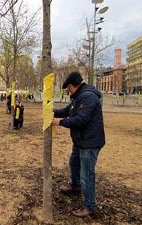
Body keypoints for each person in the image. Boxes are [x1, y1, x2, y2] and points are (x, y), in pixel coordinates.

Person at [52, 71, 105, 217]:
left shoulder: (88, 97)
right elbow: (67, 110)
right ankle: (75, 186)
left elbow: (81, 119)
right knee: (74, 162)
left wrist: (60, 122)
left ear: (73, 85)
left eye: (68, 87)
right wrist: (52, 112)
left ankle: (90, 206)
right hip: (81, 141)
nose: (68, 90)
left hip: (90, 142)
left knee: (87, 174)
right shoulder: (78, 97)